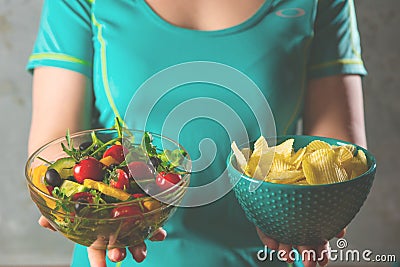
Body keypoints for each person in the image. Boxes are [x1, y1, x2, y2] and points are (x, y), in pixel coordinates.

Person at [27, 0, 367, 266]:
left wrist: (312, 211)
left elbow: (337, 154)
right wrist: (80, 210)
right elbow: (55, 144)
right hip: (121, 254)